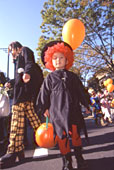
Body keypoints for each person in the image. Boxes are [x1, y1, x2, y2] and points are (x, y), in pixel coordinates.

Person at [36, 40, 90, 170]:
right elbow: (44, 95)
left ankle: (79, 158)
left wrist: (86, 104)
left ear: (67, 60)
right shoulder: (49, 78)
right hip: (57, 113)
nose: (58, 60)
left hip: (74, 111)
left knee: (76, 135)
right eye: (55, 58)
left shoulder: (72, 77)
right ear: (50, 61)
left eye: (61, 58)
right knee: (62, 138)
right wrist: (44, 108)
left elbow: (81, 91)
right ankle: (67, 162)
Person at [0, 41, 43, 168]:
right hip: (24, 93)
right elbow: (19, 77)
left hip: (22, 94)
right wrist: (11, 82)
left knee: (16, 123)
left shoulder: (24, 50)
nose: (10, 53)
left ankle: (13, 150)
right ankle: (49, 137)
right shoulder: (18, 60)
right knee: (34, 120)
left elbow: (30, 62)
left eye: (11, 50)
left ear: (15, 47)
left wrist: (27, 72)